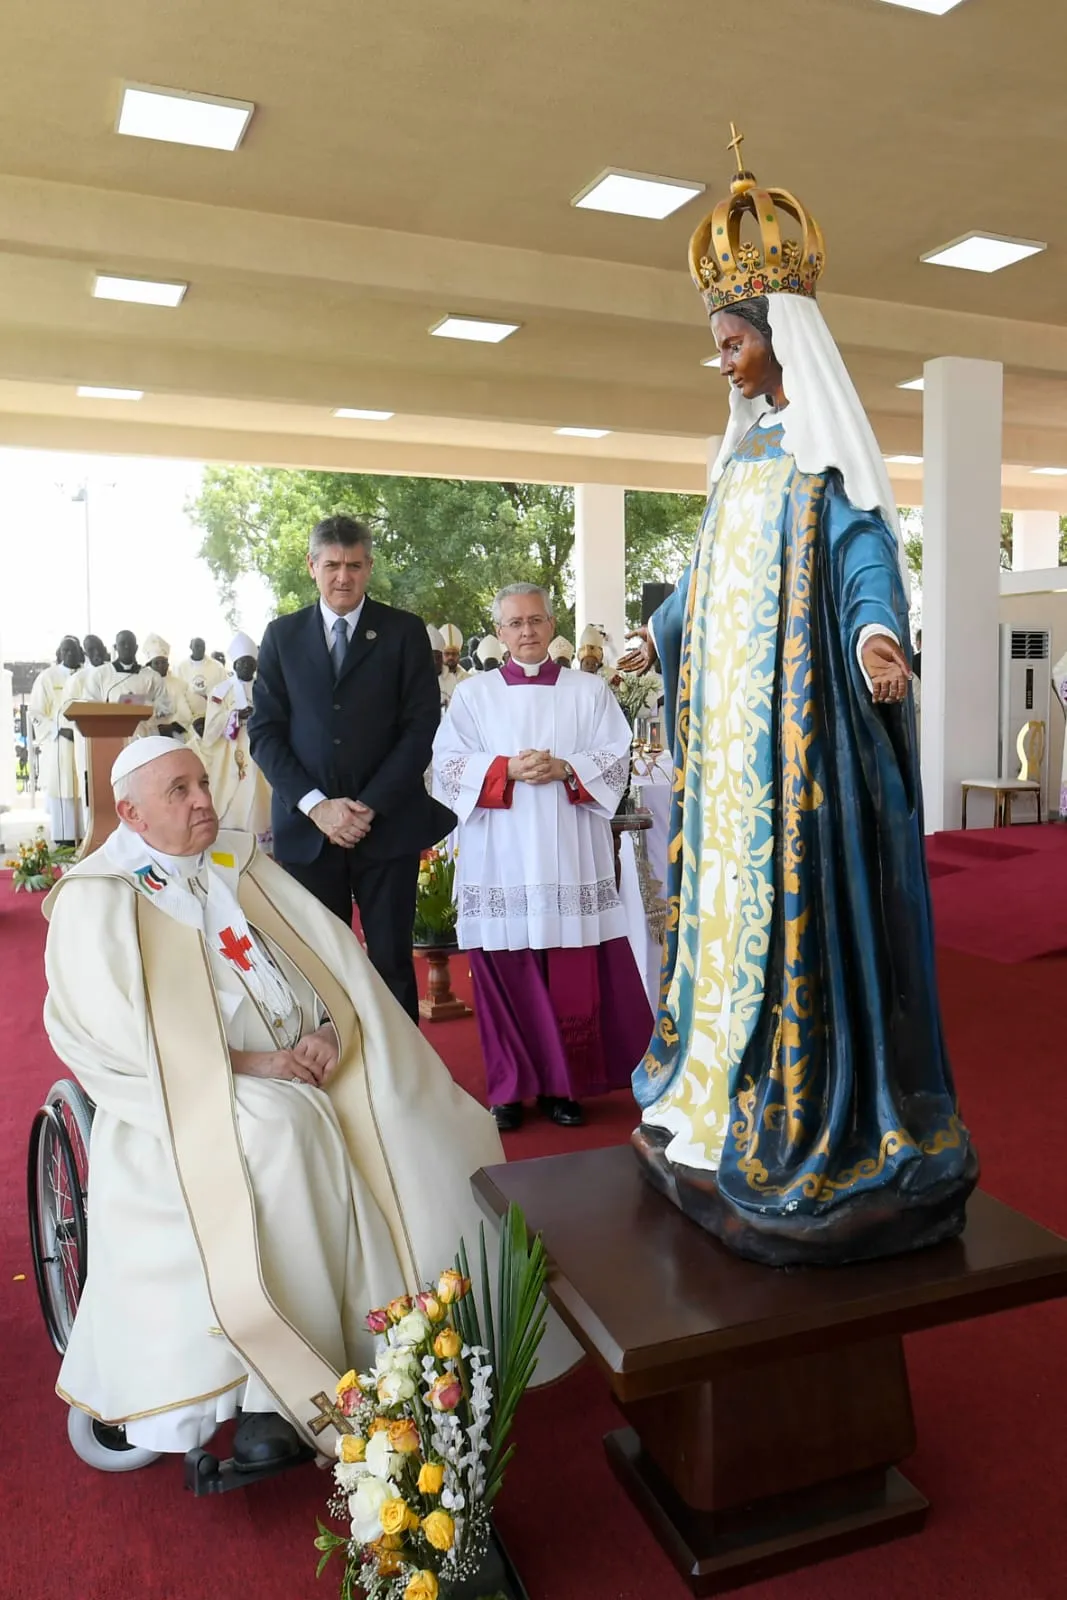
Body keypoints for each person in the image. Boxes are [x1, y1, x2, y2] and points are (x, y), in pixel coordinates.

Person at [622, 133, 976, 1266]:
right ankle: (717, 1088)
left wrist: (877, 635)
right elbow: (705, 584)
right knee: (724, 922)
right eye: (717, 345)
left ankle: (822, 1104)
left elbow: (868, 554)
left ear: (780, 344)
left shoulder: (822, 468)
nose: (721, 361)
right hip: (732, 775)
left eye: (732, 342)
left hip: (800, 752)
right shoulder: (736, 467)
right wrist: (657, 631)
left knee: (801, 929)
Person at [41, 737, 520, 1462]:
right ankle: (280, 1388)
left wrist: (331, 1027)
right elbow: (106, 1035)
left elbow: (337, 963)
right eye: (180, 791)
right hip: (191, 1093)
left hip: (302, 1063)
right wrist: (246, 1064)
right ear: (131, 814)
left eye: (203, 782)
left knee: (413, 1111)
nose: (205, 799)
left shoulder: (240, 862)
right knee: (283, 1132)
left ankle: (409, 1335)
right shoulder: (98, 897)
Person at [433, 583, 653, 1132]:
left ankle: (563, 1087)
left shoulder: (588, 690)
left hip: (569, 851)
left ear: (552, 625)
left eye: (535, 620)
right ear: (499, 633)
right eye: (514, 623)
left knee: (570, 973)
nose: (526, 631)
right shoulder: (473, 695)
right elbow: (446, 766)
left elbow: (615, 755)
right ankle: (508, 1088)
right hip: (500, 855)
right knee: (504, 972)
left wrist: (566, 769)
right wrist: (504, 769)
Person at [249, 515, 454, 1022]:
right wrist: (318, 807)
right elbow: (265, 733)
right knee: (318, 962)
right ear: (312, 566)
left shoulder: (404, 632)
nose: (344, 577)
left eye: (356, 566)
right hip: (309, 833)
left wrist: (367, 806)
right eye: (333, 565)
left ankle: (400, 1087)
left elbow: (421, 726)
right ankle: (334, 1082)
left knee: (389, 964)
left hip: (387, 828)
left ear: (369, 567)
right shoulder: (281, 636)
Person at [201, 632, 273, 843]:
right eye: (242, 663)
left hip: (261, 746)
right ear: (234, 665)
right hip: (232, 749)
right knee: (235, 788)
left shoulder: (265, 688)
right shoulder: (222, 690)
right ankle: (234, 835)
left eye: (250, 663)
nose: (246, 668)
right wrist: (234, 715)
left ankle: (263, 836)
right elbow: (211, 725)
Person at [28, 636, 84, 846]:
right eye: (65, 650)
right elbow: (36, 713)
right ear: (60, 653)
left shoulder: (88, 674)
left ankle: (87, 838)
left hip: (85, 742)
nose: (70, 654)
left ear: (80, 652)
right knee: (64, 788)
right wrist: (58, 730)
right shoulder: (47, 677)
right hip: (60, 745)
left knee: (84, 790)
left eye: (74, 650)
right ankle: (65, 841)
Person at [85, 630, 170, 734]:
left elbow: (165, 707)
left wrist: (141, 703)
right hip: (111, 734)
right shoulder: (100, 674)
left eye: (130, 643)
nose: (126, 647)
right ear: (116, 647)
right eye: (122, 643)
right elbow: (90, 706)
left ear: (136, 648)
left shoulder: (152, 676)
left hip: (145, 735)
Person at [143, 634, 199, 739]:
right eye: (157, 663)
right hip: (151, 735)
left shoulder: (180, 685)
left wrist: (172, 727)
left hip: (176, 734)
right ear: (150, 665)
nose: (161, 666)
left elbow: (186, 713)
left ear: (168, 664)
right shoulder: (143, 685)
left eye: (164, 662)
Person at [176, 636, 227, 715]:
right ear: (191, 647)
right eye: (197, 646)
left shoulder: (217, 666)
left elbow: (225, 689)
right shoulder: (181, 667)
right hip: (189, 717)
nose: (200, 649)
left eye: (202, 646)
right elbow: (178, 693)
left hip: (214, 715)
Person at [439, 624, 469, 697]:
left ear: (459, 656)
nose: (450, 657)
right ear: (441, 655)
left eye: (454, 654)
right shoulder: (434, 679)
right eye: (447, 653)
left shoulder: (468, 678)